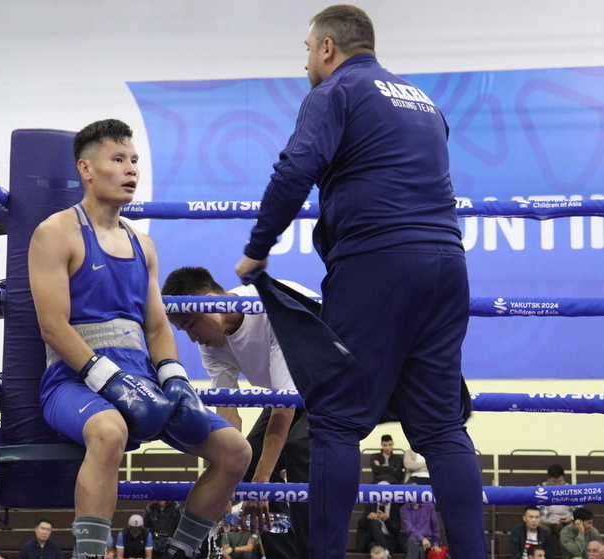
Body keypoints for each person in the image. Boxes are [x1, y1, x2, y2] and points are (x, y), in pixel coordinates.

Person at [234, 5, 486, 558]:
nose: (304, 62)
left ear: (328, 48)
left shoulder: (336, 91)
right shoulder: (422, 100)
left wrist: (257, 249)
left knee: (334, 420)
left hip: (378, 262)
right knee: (441, 428)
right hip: (447, 261)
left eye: (306, 49)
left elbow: (294, 168)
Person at [29, 118, 251, 559]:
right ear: (86, 169)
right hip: (73, 380)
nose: (131, 169)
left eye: (134, 160)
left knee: (236, 451)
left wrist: (175, 380)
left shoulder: (143, 244)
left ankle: (181, 551)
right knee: (108, 432)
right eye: (118, 159)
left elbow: (155, 327)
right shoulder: (55, 233)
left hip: (142, 379)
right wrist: (107, 378)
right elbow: (53, 326)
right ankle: (90, 554)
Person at [162, 266, 314, 559]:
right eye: (184, 331)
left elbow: (283, 410)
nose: (193, 339)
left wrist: (260, 484)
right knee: (247, 457)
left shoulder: (268, 309)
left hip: (335, 384)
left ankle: (315, 552)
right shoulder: (212, 342)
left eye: (192, 324)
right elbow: (227, 413)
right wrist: (222, 485)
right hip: (293, 393)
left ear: (210, 302)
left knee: (298, 448)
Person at [540, 464, 579, 537]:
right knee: (539, 529)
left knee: (570, 531)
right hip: (545, 522)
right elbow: (534, 508)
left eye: (560, 482)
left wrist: (571, 519)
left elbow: (579, 510)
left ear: (563, 478)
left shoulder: (571, 490)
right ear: (548, 478)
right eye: (554, 482)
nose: (557, 485)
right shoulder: (540, 489)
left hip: (565, 523)